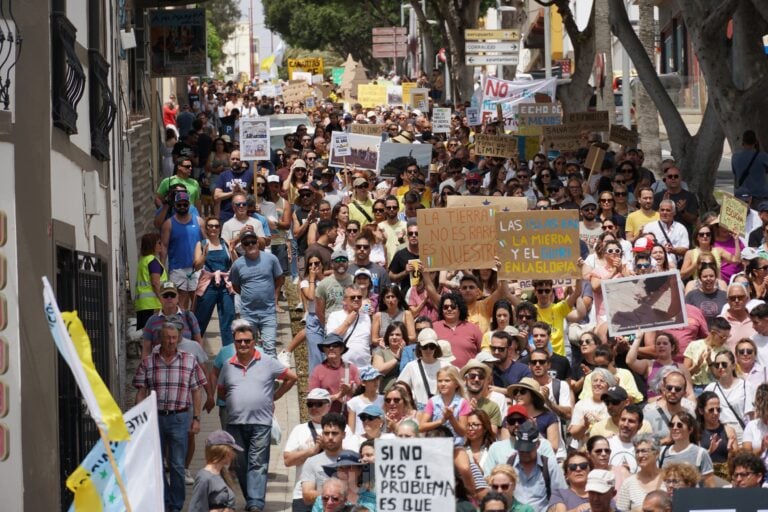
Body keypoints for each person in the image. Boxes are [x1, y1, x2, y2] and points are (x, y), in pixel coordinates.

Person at [217, 321, 297, 512]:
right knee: (240, 464)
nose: (243, 345)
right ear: (234, 343)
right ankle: (251, 498)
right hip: (235, 423)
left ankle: (255, 503)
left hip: (261, 422)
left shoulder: (267, 361)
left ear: (255, 341)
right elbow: (221, 392)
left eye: (247, 341)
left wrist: (275, 396)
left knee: (258, 463)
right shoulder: (227, 365)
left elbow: (291, 377)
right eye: (239, 341)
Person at [133, 322, 207, 512]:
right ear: (160, 339)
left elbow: (197, 391)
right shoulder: (149, 362)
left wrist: (196, 418)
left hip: (179, 418)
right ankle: (163, 502)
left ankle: (176, 505)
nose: (171, 342)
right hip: (155, 418)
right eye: (167, 338)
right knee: (156, 463)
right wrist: (139, 418)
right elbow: (141, 392)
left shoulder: (189, 360)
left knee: (176, 464)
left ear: (179, 338)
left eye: (174, 338)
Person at [283, 389, 357, 512]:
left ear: (329, 405)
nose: (314, 407)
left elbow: (354, 457)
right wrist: (311, 451)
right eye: (310, 404)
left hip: (341, 501)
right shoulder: (299, 429)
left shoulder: (346, 429)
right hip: (304, 494)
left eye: (318, 404)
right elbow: (287, 460)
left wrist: (329, 447)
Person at [229, 230, 283, 357]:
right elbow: (236, 286)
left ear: (258, 242)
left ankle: (271, 376)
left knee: (270, 347)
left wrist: (273, 298)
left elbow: (279, 279)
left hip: (268, 312)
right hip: (248, 313)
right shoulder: (237, 265)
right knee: (249, 348)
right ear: (242, 246)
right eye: (246, 243)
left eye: (253, 241)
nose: (250, 245)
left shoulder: (271, 259)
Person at [504, 420, 568, 511]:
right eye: (522, 449)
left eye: (528, 449)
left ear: (537, 445)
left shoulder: (549, 466)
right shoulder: (509, 465)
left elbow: (562, 495)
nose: (525, 453)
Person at [193, 216, 236, 347]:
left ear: (220, 228)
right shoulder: (201, 244)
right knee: (201, 318)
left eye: (216, 226)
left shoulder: (226, 243)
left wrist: (233, 251)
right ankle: (194, 350)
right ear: (206, 228)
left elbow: (235, 263)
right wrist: (204, 255)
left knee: (228, 319)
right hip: (208, 286)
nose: (213, 228)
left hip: (225, 286)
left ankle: (228, 352)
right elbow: (197, 265)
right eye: (210, 226)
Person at [161, 190, 205, 310]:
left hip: (196, 268)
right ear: (174, 205)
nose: (182, 207)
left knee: (197, 300)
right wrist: (163, 268)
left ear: (189, 205)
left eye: (185, 204)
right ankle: (183, 326)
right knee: (180, 301)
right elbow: (164, 246)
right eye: (179, 204)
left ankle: (196, 326)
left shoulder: (199, 221)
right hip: (177, 268)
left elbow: (206, 244)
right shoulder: (169, 224)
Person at [300, 413, 354, 507]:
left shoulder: (355, 461)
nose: (330, 437)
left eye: (334, 433)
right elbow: (307, 496)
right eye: (326, 433)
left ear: (343, 435)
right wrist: (335, 495)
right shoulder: (311, 462)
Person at [703, 350, 756, 442]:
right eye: (717, 365)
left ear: (733, 366)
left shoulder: (745, 386)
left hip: (741, 434)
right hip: (718, 434)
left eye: (724, 364)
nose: (720, 367)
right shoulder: (710, 388)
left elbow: (752, 415)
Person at [398, 327, 453, 409]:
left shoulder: (446, 366)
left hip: (442, 409)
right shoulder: (411, 366)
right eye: (425, 346)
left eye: (431, 346)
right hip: (419, 411)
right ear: (419, 347)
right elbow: (400, 388)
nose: (428, 350)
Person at [657, 411, 715, 487]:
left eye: (679, 425)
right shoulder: (663, 452)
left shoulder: (700, 453)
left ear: (690, 429)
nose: (674, 428)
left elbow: (710, 485)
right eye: (672, 425)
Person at [508, 377, 561, 457]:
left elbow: (553, 447)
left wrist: (533, 431)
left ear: (533, 395)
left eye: (523, 391)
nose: (518, 395)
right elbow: (506, 443)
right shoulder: (511, 418)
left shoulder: (549, 417)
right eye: (516, 392)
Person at [309, 333, 362, 414]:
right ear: (324, 349)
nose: (331, 348)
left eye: (335, 345)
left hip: (349, 417)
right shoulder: (318, 370)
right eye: (327, 346)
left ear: (341, 349)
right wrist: (338, 396)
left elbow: (361, 395)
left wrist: (351, 390)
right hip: (326, 418)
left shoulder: (351, 368)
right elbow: (313, 398)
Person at [418, 366, 470, 446]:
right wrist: (441, 421)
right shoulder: (432, 401)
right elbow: (421, 427)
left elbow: (462, 432)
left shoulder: (462, 403)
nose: (443, 384)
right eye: (440, 381)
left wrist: (451, 418)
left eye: (447, 381)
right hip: (434, 443)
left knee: (463, 458)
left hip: (456, 445)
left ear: (456, 384)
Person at [326, 285, 373, 368]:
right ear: (344, 301)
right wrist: (347, 322)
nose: (356, 299)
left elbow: (369, 342)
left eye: (359, 297)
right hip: (343, 368)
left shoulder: (366, 317)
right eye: (352, 297)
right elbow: (330, 340)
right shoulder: (335, 316)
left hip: (365, 368)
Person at [433, 292, 483, 368]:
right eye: (445, 307)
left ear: (460, 308)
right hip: (441, 376)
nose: (449, 309)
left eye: (453, 306)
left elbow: (482, 353)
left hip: (468, 376)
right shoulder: (434, 327)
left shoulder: (473, 328)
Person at [683, 317, 732, 393]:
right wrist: (697, 365)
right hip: (694, 388)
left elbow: (722, 376)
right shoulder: (694, 345)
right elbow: (685, 373)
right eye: (722, 337)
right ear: (712, 333)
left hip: (715, 388)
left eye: (727, 337)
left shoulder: (725, 350)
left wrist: (709, 362)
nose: (724, 340)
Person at [615, 434, 663, 512]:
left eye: (644, 451)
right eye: (637, 451)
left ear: (656, 453)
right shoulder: (629, 483)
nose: (640, 455)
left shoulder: (668, 479)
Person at [696, 390, 737, 481]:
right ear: (701, 411)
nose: (716, 413)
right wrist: (709, 452)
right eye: (711, 410)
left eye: (718, 409)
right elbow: (695, 461)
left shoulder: (729, 430)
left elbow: (736, 462)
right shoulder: (696, 433)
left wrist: (731, 451)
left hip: (726, 478)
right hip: (705, 478)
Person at [732, 129, 768, 202]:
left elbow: (735, 174)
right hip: (760, 197)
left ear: (743, 142)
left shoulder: (735, 157)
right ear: (755, 142)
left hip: (741, 197)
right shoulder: (763, 157)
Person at [372, 321, 408, 393]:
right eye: (391, 335)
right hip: (386, 393)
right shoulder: (381, 352)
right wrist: (396, 359)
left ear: (403, 337)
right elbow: (378, 371)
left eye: (398, 335)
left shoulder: (410, 352)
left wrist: (405, 352)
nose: (394, 337)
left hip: (406, 394)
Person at [346, 367, 384, 434]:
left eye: (377, 379)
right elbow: (351, 429)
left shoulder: (383, 400)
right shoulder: (354, 402)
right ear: (363, 383)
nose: (376, 382)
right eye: (372, 379)